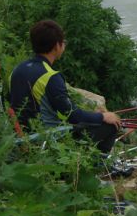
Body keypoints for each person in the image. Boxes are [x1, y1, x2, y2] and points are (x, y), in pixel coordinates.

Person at [9, 19, 122, 154]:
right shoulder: (50, 77)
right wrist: (103, 117)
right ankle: (97, 164)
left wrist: (92, 115)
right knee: (110, 126)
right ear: (57, 46)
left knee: (89, 121)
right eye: (63, 42)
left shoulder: (17, 70)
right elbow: (72, 115)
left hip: (21, 136)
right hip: (47, 140)